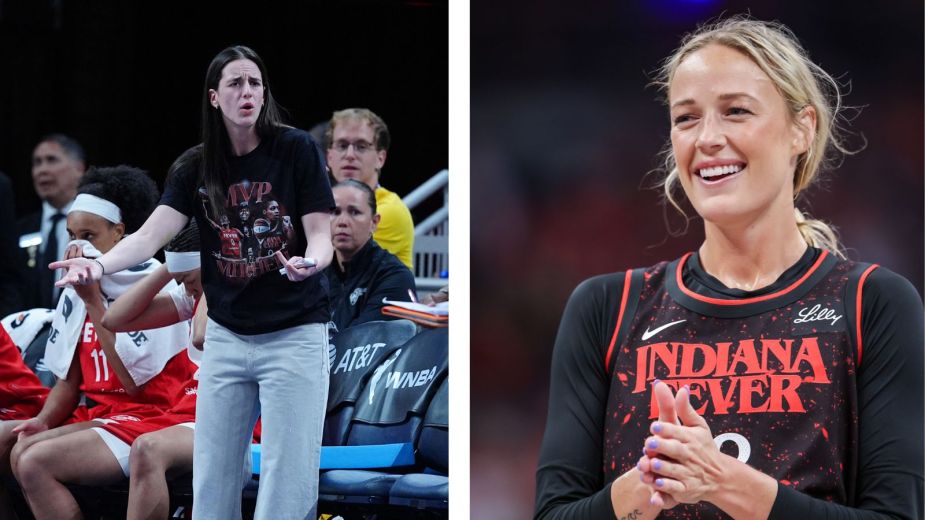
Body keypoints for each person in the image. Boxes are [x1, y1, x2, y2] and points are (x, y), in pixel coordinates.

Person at [534, 17, 923, 519]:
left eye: (736, 111)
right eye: (686, 118)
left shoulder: (872, 303)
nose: (708, 138)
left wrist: (721, 480)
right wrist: (650, 479)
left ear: (802, 129)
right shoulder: (608, 308)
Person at [51, 45, 334, 520]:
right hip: (227, 335)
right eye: (235, 84)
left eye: (255, 83)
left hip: (295, 332)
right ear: (214, 97)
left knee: (287, 483)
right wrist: (99, 268)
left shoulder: (295, 148)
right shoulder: (193, 166)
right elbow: (148, 237)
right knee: (212, 480)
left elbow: (321, 232)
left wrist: (314, 260)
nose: (248, 92)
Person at [6, 166, 194, 519]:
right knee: (19, 448)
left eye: (88, 235)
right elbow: (69, 379)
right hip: (105, 414)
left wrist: (94, 301)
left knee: (33, 462)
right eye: (71, 234)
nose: (77, 246)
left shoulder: (153, 285)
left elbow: (133, 386)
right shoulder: (78, 288)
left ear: (119, 233)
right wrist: (44, 421)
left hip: (153, 415)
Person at [99, 220, 211, 520]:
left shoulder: (233, 293)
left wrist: (213, 274)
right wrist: (170, 265)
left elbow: (201, 334)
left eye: (189, 278)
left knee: (148, 448)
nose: (185, 286)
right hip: (186, 415)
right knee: (35, 459)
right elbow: (114, 319)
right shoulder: (193, 295)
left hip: (237, 420)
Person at [325, 108, 415, 270]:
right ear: (329, 157)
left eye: (361, 146)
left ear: (381, 158)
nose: (350, 155)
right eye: (342, 145)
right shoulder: (322, 203)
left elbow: (331, 267)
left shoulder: (389, 210)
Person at [323, 179, 416, 331]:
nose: (342, 222)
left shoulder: (395, 277)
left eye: (354, 212)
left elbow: (362, 341)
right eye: (335, 212)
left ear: (374, 222)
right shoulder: (316, 273)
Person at [17, 134, 87, 310]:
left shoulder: (98, 227)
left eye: (51, 160)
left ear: (79, 168)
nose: (42, 170)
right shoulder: (20, 230)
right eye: (37, 162)